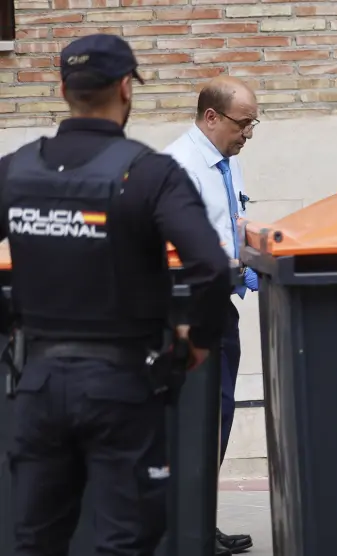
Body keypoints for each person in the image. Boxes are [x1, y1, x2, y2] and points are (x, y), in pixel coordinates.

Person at [1, 34, 231, 556]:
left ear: (62, 88)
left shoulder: (16, 170)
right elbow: (212, 267)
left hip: (37, 383)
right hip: (121, 387)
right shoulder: (149, 173)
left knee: (35, 541)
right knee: (125, 541)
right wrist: (198, 339)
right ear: (126, 88)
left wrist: (10, 323)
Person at [162, 76, 259, 556]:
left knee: (216, 414)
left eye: (253, 123)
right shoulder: (180, 166)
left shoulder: (225, 160)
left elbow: (229, 220)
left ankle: (196, 518)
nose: (248, 133)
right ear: (211, 118)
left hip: (219, 301)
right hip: (189, 306)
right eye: (243, 123)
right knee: (200, 417)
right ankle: (183, 523)